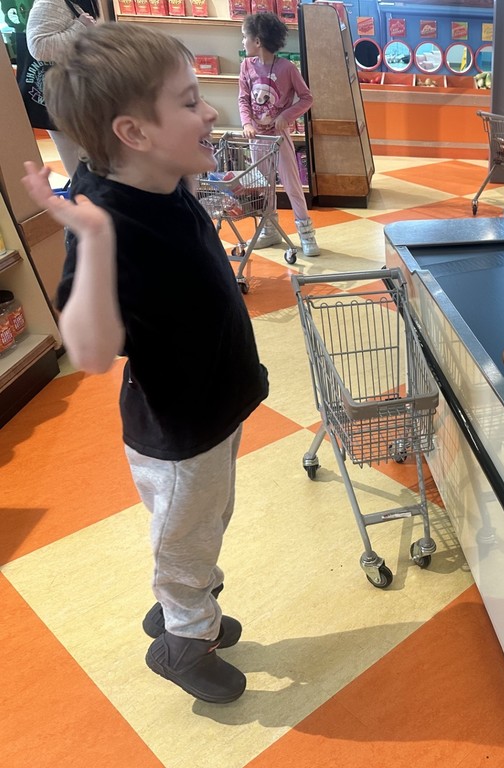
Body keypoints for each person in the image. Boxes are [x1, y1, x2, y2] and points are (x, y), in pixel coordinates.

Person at [21, 23, 269, 703]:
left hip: (214, 406)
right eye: (189, 102)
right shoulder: (106, 223)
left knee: (203, 526)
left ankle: (183, 601)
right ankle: (186, 641)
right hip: (178, 433)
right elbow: (93, 352)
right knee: (185, 541)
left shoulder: (157, 175)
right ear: (133, 133)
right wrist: (92, 241)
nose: (209, 110)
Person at [239, 12, 320, 257]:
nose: (242, 42)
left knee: (292, 185)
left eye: (245, 37)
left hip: (278, 139)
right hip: (257, 141)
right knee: (264, 187)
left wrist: (286, 116)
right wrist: (246, 124)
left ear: (258, 41)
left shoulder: (287, 68)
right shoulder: (246, 66)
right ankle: (270, 231)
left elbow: (307, 97)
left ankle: (306, 235)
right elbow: (243, 98)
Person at [25, 0, 97, 179]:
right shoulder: (51, 2)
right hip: (67, 101)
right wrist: (80, 26)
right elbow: (39, 46)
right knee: (82, 174)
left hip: (85, 99)